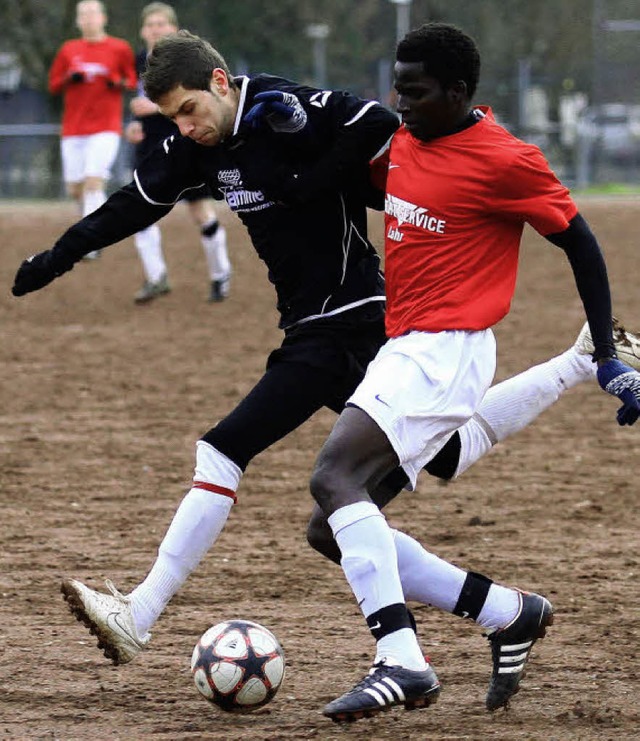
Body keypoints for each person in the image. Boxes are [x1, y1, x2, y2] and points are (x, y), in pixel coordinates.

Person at [11, 29, 640, 720]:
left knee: (242, 451)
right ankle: (507, 608)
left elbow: (376, 126)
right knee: (364, 502)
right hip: (368, 331)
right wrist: (59, 256)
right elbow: (136, 202)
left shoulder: (300, 107)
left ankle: (152, 612)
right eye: (173, 120)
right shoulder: (232, 148)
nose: (185, 128)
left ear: (221, 83)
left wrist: (304, 157)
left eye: (190, 110)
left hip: (350, 323)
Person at [305, 22, 640, 722]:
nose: (401, 100)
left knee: (335, 477)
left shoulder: (505, 159)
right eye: (396, 86)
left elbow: (582, 245)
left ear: (459, 92)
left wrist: (608, 357)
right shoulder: (404, 140)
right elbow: (390, 195)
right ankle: (506, 611)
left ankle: (403, 661)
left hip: (446, 348)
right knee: (329, 526)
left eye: (417, 91)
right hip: (409, 346)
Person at [125, 3, 231, 303]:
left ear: (173, 28)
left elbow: (197, 100)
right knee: (140, 209)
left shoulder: (185, 59)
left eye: (161, 23)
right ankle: (156, 277)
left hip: (184, 137)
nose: (155, 29)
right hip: (148, 145)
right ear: (142, 30)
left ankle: (219, 273)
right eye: (150, 24)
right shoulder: (137, 62)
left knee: (199, 210)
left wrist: (155, 108)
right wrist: (133, 124)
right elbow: (135, 102)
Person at [48, 0, 136, 259]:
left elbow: (131, 80)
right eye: (83, 15)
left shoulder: (119, 48)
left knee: (93, 181)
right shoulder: (68, 49)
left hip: (105, 126)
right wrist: (68, 79)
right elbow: (53, 84)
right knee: (76, 188)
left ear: (103, 18)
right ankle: (96, 220)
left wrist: (115, 81)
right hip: (73, 128)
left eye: (92, 14)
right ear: (78, 21)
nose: (88, 19)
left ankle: (91, 240)